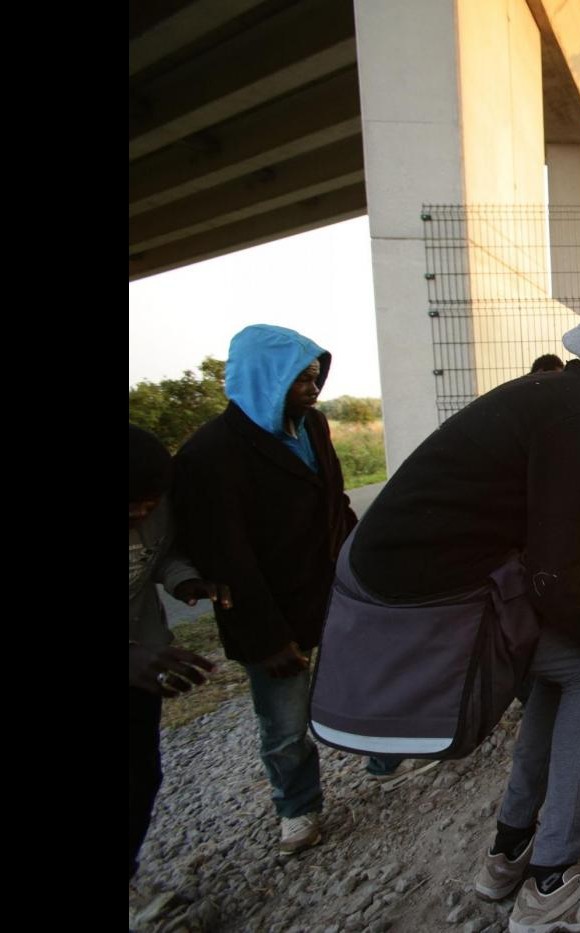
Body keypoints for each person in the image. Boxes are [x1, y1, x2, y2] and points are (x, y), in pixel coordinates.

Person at [334, 321, 580, 932]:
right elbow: (555, 581)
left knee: (557, 665)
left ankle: (508, 856)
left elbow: (544, 531)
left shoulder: (568, 398)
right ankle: (553, 883)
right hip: (412, 591)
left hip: (396, 572)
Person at [170, 324, 373, 855]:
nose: (313, 388)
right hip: (269, 613)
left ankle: (385, 758)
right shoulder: (210, 454)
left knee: (363, 682)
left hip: (331, 592)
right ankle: (298, 809)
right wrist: (265, 639)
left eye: (315, 375)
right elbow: (225, 558)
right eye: (300, 378)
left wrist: (360, 564)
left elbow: (335, 503)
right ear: (264, 377)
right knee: (284, 725)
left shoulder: (314, 427)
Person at [129, 425, 229, 883]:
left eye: (151, 501)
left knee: (141, 777)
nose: (144, 511)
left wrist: (185, 579)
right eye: (132, 503)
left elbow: (160, 555)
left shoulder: (154, 508)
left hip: (147, 662)